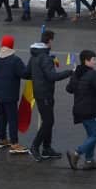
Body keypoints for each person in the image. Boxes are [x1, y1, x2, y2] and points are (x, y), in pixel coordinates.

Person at [27, 30, 72, 161]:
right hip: (45, 93)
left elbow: (27, 73)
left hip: (39, 92)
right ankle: (35, 147)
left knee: (48, 121)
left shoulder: (35, 55)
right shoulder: (45, 58)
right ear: (50, 41)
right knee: (48, 121)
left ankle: (47, 148)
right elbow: (52, 76)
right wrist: (69, 72)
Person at [0, 34, 28, 153]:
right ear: (12, 45)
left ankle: (2, 139)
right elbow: (24, 74)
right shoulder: (15, 60)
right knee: (13, 119)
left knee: (3, 117)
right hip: (10, 94)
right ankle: (14, 143)